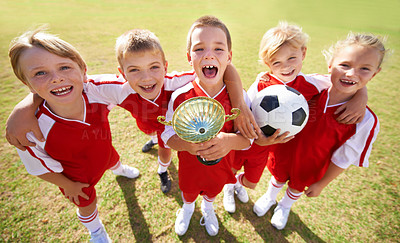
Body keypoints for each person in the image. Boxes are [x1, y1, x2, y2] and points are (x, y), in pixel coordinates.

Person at [5, 29, 250, 194]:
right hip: (147, 125)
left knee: (166, 147)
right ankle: (157, 151)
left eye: (154, 67)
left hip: (173, 126)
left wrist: (238, 106)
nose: (146, 78)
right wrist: (26, 105)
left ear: (164, 66)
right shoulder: (115, 89)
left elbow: (225, 68)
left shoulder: (178, 81)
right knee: (156, 138)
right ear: (122, 74)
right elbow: (71, 82)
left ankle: (162, 170)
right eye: (134, 70)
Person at [8, 28, 140, 242]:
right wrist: (68, 185)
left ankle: (119, 170)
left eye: (64, 67)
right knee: (87, 204)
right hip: (75, 177)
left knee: (112, 160)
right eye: (40, 73)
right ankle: (96, 231)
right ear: (27, 84)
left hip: (104, 152)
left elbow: (139, 83)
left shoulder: (96, 91)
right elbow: (37, 168)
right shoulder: (28, 130)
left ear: (83, 70)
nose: (56, 78)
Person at [224, 21, 368, 213]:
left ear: (304, 53)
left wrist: (361, 94)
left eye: (292, 58)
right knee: (232, 168)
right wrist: (257, 138)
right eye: (277, 62)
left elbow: (344, 81)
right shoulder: (262, 82)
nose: (285, 67)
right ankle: (229, 186)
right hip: (252, 142)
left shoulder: (313, 83)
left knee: (252, 181)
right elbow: (244, 113)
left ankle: (240, 185)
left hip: (277, 146)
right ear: (268, 64)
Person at [253, 32, 385, 230]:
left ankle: (285, 206)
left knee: (297, 185)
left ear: (375, 73)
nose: (351, 73)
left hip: (313, 164)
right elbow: (275, 84)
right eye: (345, 65)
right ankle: (270, 197)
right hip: (284, 150)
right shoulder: (310, 85)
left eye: (364, 69)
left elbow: (344, 157)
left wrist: (322, 184)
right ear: (330, 64)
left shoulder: (365, 120)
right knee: (277, 176)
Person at [161, 15, 252, 236]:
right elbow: (167, 134)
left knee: (213, 191)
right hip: (190, 167)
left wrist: (229, 141)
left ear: (229, 57)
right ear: (188, 57)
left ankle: (208, 208)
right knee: (189, 192)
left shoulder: (240, 98)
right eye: (199, 49)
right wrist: (186, 145)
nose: (209, 54)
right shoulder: (181, 96)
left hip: (220, 168)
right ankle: (188, 208)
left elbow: (248, 141)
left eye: (218, 49)